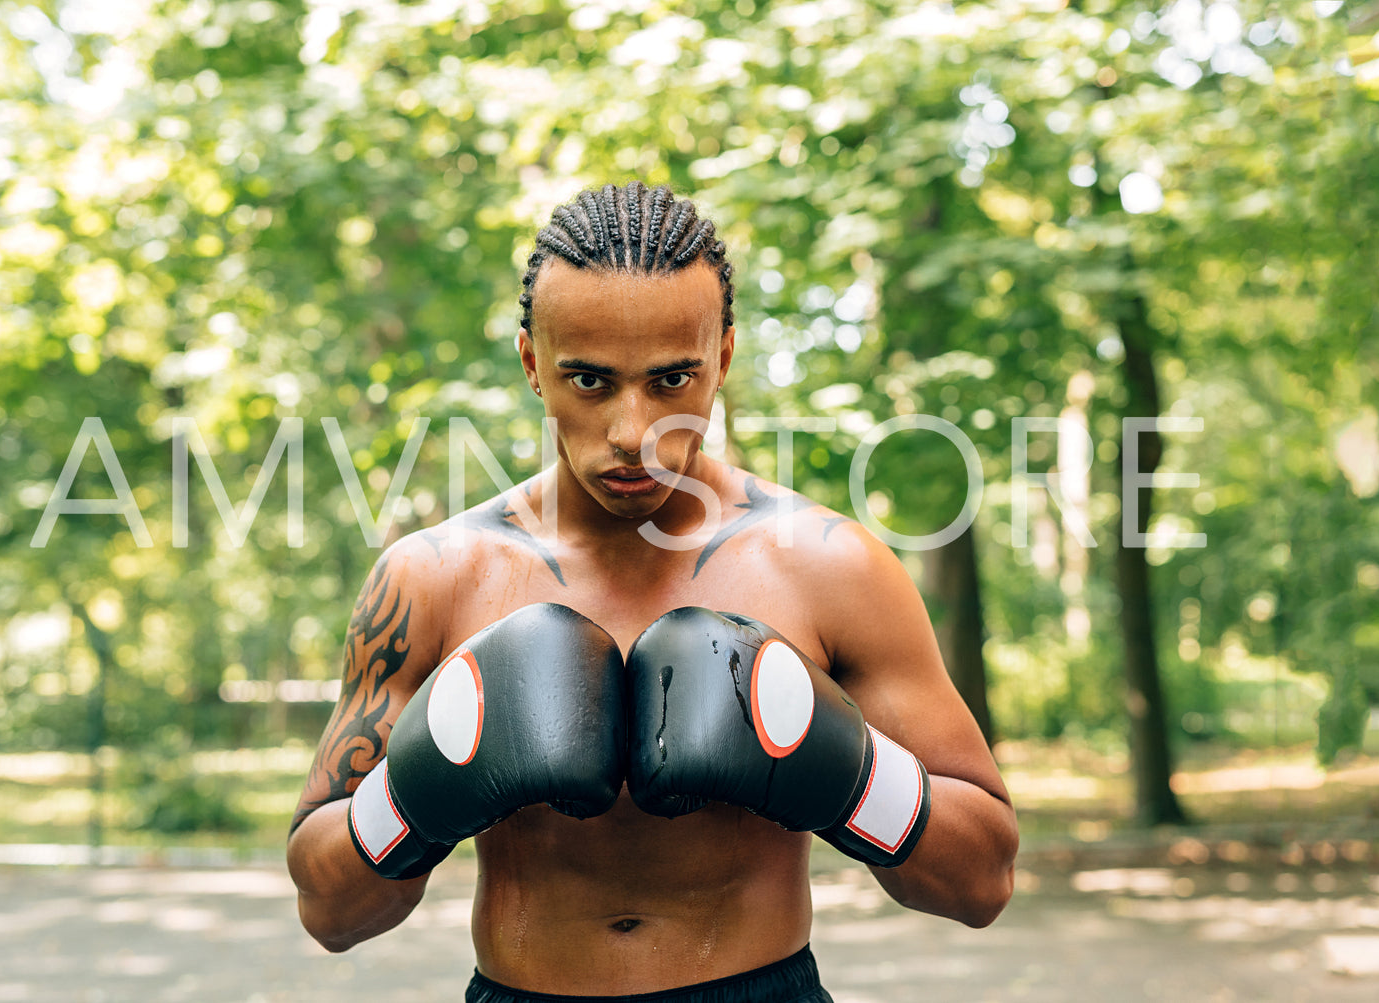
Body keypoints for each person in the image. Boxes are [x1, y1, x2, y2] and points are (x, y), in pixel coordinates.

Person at [285, 181, 1018, 1002]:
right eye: (590, 382)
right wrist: (413, 796)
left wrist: (848, 774)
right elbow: (330, 908)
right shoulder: (437, 576)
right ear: (532, 363)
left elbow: (980, 881)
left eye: (671, 380)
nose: (633, 434)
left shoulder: (826, 566)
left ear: (724, 359)